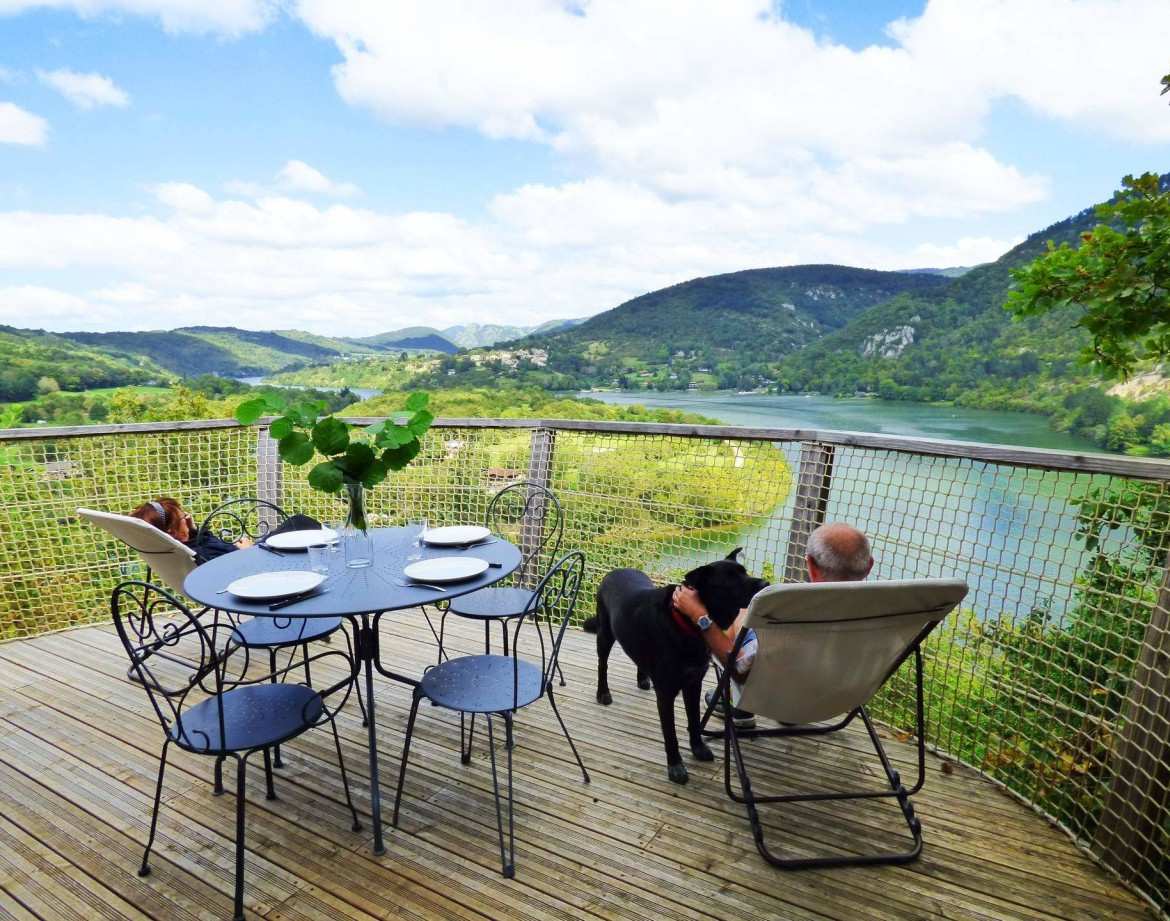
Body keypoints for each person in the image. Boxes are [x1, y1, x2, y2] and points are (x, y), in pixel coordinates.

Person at [672, 522, 875, 729]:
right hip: (839, 699)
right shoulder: (887, 608)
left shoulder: (787, 610)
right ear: (870, 565)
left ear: (810, 564)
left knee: (742, 614)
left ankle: (735, 703)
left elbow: (740, 668)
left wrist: (701, 617)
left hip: (775, 700)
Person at [130, 497, 251, 562]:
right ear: (171, 531)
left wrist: (191, 530)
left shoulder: (170, 550)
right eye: (183, 517)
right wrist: (247, 552)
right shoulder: (202, 553)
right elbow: (233, 570)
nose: (186, 517)